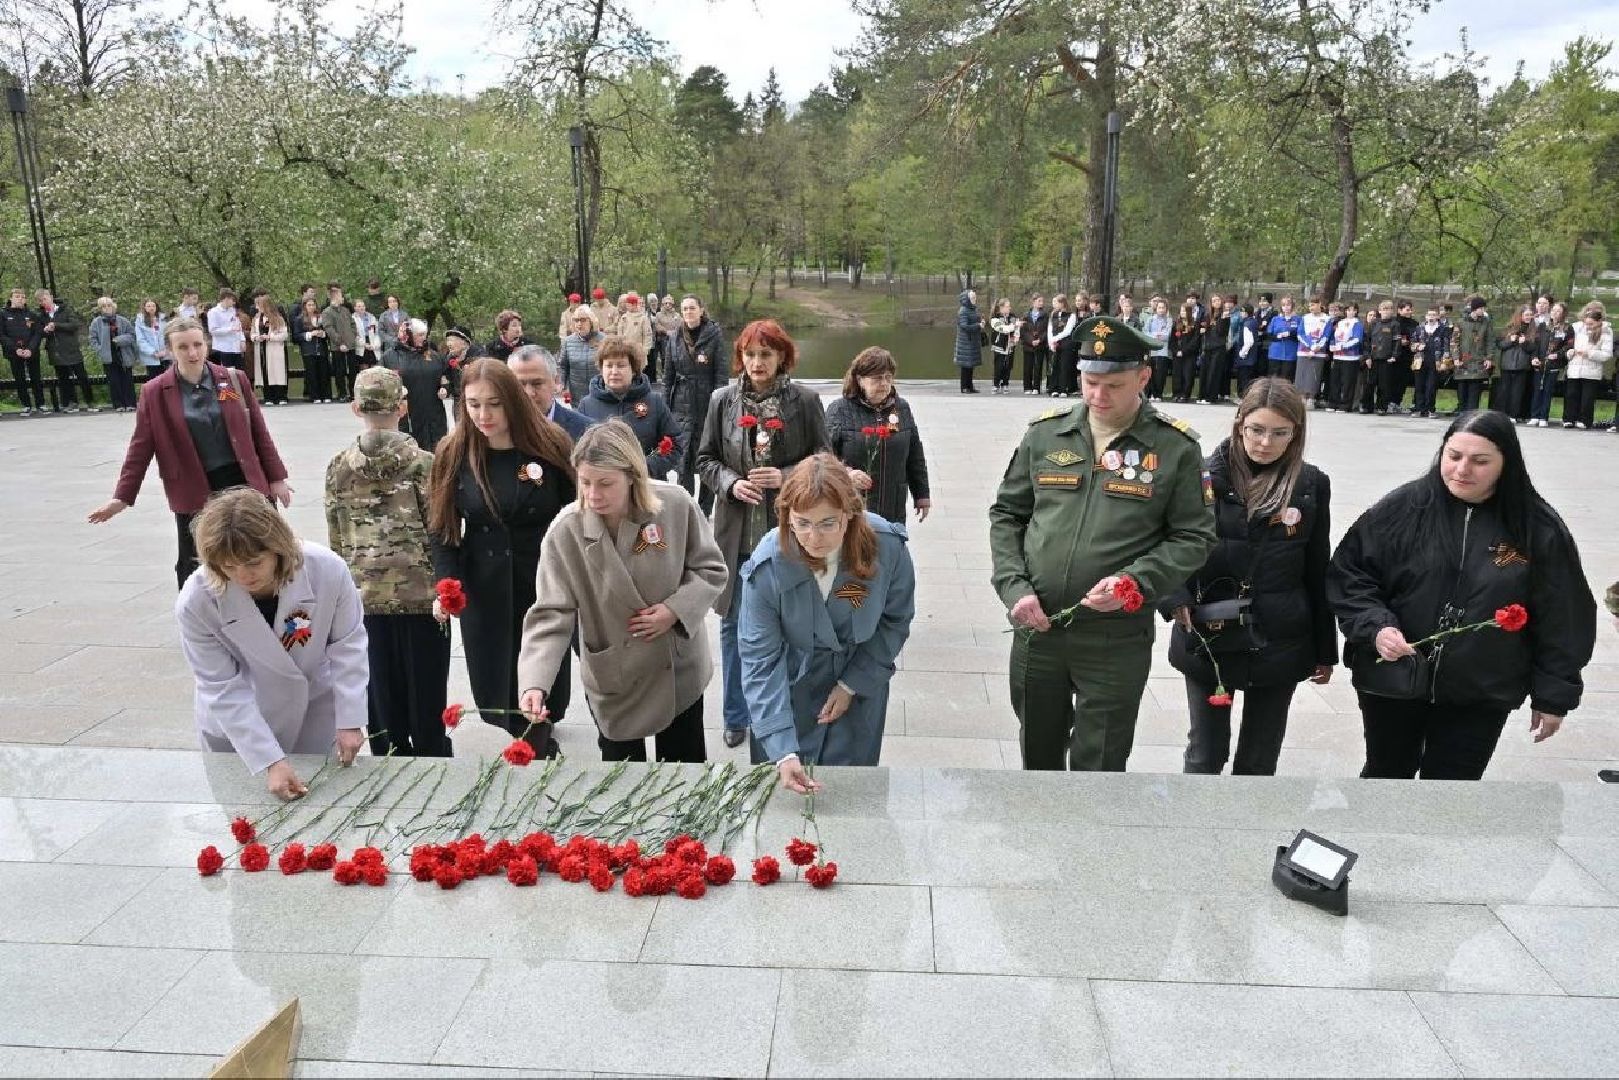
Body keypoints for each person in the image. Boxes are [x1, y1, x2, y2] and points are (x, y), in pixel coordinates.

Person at [989, 315, 1217, 772]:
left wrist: (1135, 582)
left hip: (1115, 638)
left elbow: (1195, 535)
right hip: (1040, 627)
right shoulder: (1046, 433)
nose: (1098, 396)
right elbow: (1007, 515)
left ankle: (1089, 842)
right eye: (1090, 382)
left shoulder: (1174, 446)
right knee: (1038, 753)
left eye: (1113, 384)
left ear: (1144, 376)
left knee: (1101, 761)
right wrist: (1015, 589)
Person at [1327, 410, 1596, 780]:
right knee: (1385, 777)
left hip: (1482, 688)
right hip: (1395, 678)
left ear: (1507, 463)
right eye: (1453, 456)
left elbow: (1564, 614)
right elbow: (1350, 575)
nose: (1462, 470)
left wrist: (1554, 695)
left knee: (1454, 789)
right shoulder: (1402, 509)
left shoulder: (1537, 528)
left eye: (1480, 461)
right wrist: (1376, 627)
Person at [517, 421, 727, 762]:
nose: (593, 495)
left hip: (675, 670)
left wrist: (675, 610)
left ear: (632, 476)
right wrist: (534, 683)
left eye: (605, 483)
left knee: (683, 773)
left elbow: (711, 569)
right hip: (614, 675)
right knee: (621, 777)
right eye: (585, 482)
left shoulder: (674, 505)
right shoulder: (566, 531)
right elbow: (551, 613)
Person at [1160, 380, 1336, 775]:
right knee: (1205, 753)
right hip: (1210, 629)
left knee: (1259, 758)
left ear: (1296, 434)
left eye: (1280, 433)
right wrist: (1175, 597)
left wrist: (1326, 650)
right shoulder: (1200, 475)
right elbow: (1166, 542)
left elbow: (1316, 566)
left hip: (1280, 636)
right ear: (1240, 425)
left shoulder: (1310, 484)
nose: (1265, 443)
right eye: (1256, 430)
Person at [739, 454, 916, 792]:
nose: (814, 537)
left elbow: (896, 619)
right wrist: (781, 749)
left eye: (827, 523)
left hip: (859, 678)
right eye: (802, 523)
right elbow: (759, 659)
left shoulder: (887, 548)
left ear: (850, 515)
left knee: (850, 791)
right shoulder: (769, 564)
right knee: (780, 800)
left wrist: (851, 685)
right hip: (788, 689)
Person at [177, 488, 367, 797]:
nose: (243, 576)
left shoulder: (327, 570)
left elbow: (349, 645)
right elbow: (221, 686)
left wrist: (351, 718)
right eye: (228, 566)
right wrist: (268, 759)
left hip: (313, 709)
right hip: (241, 728)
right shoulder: (197, 601)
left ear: (278, 549)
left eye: (253, 562)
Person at [429, 358, 576, 758]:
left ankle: (537, 745)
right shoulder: (454, 452)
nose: (483, 415)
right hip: (486, 587)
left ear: (512, 400)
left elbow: (575, 517)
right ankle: (528, 741)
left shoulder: (551, 444)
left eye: (493, 403)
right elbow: (442, 530)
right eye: (474, 404)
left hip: (542, 584)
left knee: (544, 680)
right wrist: (447, 585)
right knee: (498, 682)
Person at [697, 319, 829, 750]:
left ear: (782, 357)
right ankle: (736, 714)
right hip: (736, 531)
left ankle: (781, 710)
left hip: (787, 532)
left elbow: (825, 459)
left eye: (766, 354)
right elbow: (704, 459)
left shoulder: (805, 401)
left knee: (791, 624)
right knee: (735, 625)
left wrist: (788, 475)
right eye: (751, 354)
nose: (757, 362)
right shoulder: (722, 401)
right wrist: (731, 482)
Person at [89, 317, 293, 587]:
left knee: (263, 549)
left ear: (207, 344)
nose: (192, 352)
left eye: (198, 344)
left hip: (244, 479)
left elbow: (258, 432)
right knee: (196, 561)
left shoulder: (233, 379)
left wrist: (276, 479)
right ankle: (199, 615)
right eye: (183, 347)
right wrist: (122, 498)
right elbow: (139, 448)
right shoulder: (155, 392)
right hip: (194, 485)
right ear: (170, 351)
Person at [324, 367, 450, 758]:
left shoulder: (338, 467)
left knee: (378, 702)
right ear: (403, 407)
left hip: (363, 599)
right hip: (422, 599)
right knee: (427, 701)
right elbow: (440, 531)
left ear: (355, 408)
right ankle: (433, 771)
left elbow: (336, 536)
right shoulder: (424, 464)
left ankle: (387, 774)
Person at [824, 346, 932, 525]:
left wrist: (922, 495)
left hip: (893, 505)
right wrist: (846, 473)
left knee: (889, 549)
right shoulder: (839, 410)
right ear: (860, 380)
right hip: (851, 506)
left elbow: (914, 454)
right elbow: (823, 456)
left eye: (888, 377)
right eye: (876, 378)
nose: (884, 383)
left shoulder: (901, 408)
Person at [576, 336, 684, 478]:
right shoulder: (586, 406)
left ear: (633, 370)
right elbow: (577, 451)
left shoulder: (654, 402)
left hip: (647, 486)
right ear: (601, 369)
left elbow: (674, 444)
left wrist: (646, 467)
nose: (614, 371)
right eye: (609, 365)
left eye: (621, 365)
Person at [664, 294, 727, 513]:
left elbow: (721, 375)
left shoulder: (714, 335)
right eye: (685, 309)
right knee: (683, 460)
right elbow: (668, 377)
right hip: (681, 404)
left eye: (692, 308)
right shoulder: (674, 337)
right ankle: (686, 507)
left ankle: (705, 508)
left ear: (701, 310)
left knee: (706, 457)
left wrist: (718, 405)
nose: (688, 312)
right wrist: (665, 408)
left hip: (706, 402)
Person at [385, 319, 453, 452]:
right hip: (409, 414)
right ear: (409, 335)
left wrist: (445, 388)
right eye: (420, 335)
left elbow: (445, 375)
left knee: (437, 449)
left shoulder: (432, 354)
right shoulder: (391, 356)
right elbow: (383, 381)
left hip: (433, 412)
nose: (424, 338)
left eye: (425, 334)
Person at [508, 343, 592, 441]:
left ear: (556, 381)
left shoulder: (586, 432)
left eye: (537, 383)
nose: (529, 393)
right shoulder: (496, 430)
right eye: (520, 385)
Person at [36, 289, 97, 413]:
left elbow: (74, 325)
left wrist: (56, 325)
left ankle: (90, 402)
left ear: (51, 297)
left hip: (71, 349)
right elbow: (39, 332)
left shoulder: (65, 309)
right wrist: (45, 330)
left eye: (45, 298)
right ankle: (71, 403)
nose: (44, 302)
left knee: (82, 377)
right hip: (55, 351)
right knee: (63, 379)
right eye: (41, 301)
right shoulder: (41, 316)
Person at [90, 297, 139, 412]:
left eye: (109, 305)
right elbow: (93, 339)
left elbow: (132, 336)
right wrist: (100, 350)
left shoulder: (123, 320)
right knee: (114, 381)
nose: (107, 308)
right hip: (108, 355)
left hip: (123, 354)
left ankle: (130, 403)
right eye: (103, 306)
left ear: (113, 306)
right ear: (100, 308)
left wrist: (120, 340)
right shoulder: (96, 322)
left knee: (127, 380)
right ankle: (118, 404)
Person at [3, 287, 45, 415]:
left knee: (36, 378)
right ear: (11, 298)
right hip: (14, 352)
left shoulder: (32, 314)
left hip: (31, 352)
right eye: (17, 296)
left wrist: (31, 349)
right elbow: (2, 335)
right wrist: (15, 349)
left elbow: (37, 333)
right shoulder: (3, 314)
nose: (20, 299)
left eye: (22, 297)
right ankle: (26, 405)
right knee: (20, 379)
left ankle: (40, 405)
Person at [1528, 302, 1570, 428]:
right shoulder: (1543, 326)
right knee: (1537, 389)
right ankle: (1534, 415)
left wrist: (1558, 354)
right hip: (1540, 363)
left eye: (1558, 311)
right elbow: (1535, 343)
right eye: (1553, 311)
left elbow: (1568, 345)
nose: (1555, 313)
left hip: (1553, 364)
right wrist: (1534, 357)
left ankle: (1543, 416)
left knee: (1547, 391)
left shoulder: (1567, 328)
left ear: (1563, 314)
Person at [1449, 296, 1493, 415]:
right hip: (1463, 360)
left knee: (1475, 389)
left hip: (1478, 360)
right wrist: (1456, 358)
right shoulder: (1461, 322)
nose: (1483, 310)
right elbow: (1454, 341)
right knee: (1462, 389)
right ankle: (1462, 412)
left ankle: (1471, 414)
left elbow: (1489, 341)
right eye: (1481, 308)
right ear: (1475, 308)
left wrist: (1489, 357)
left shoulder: (1486, 322)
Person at [1493, 306, 1536, 422]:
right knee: (1504, 390)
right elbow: (1500, 345)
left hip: (1522, 365)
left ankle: (1513, 414)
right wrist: (1510, 341)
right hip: (1507, 364)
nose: (1529, 317)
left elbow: (1533, 348)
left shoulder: (1533, 329)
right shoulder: (1508, 328)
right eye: (1526, 315)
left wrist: (1524, 343)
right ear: (1520, 315)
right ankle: (1503, 413)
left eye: (1530, 315)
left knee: (1518, 392)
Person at [319, 283, 358, 402]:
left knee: (353, 370)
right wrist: (339, 342)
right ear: (334, 297)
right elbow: (329, 328)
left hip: (350, 345)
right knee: (339, 371)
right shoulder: (327, 312)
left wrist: (353, 336)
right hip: (337, 347)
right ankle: (342, 393)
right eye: (340, 295)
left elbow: (352, 324)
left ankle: (353, 393)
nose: (342, 297)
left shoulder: (345, 310)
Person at [250, 294, 291, 406]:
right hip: (262, 348)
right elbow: (252, 334)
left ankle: (281, 396)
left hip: (274, 348)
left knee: (277, 372)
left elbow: (284, 335)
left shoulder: (278, 318)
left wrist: (270, 337)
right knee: (264, 372)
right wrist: (257, 338)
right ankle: (268, 396)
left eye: (260, 305)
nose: (258, 307)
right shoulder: (256, 319)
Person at [1409, 307, 1450, 419]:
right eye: (1429, 315)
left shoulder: (1443, 329)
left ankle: (1430, 409)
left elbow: (1446, 347)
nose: (1431, 317)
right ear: (1426, 316)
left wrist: (1444, 362)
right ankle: (1419, 409)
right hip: (1420, 360)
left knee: (1431, 386)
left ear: (1437, 316)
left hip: (1435, 361)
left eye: (1433, 315)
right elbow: (1412, 345)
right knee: (1419, 386)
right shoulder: (1419, 328)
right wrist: (1417, 346)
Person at [559, 305, 604, 405]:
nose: (579, 324)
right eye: (576, 320)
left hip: (600, 392)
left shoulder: (604, 340)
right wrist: (562, 385)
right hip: (577, 395)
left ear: (591, 321)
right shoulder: (568, 342)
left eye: (583, 320)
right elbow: (562, 366)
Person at [1327, 300, 1365, 413]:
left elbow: (1357, 339)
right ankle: (1333, 402)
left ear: (1356, 311)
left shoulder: (1357, 323)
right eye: (1348, 310)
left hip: (1350, 357)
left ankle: (1345, 405)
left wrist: (1343, 346)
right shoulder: (1341, 322)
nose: (1350, 312)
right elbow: (1334, 336)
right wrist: (1332, 345)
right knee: (1335, 381)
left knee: (1348, 382)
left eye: (1353, 310)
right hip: (1337, 356)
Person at [1296, 296, 1331, 409]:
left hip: (1318, 351)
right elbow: (1300, 334)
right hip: (1304, 350)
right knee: (1302, 374)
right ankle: (1301, 398)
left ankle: (1311, 398)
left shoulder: (1327, 318)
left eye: (1314, 305)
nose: (1311, 307)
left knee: (1314, 375)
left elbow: (1326, 335)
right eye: (1310, 305)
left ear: (1319, 304)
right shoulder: (1305, 318)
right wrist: (1310, 346)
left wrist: (1317, 347)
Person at [295, 297, 331, 403]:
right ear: (305, 307)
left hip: (321, 348)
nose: (311, 307)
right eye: (309, 305)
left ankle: (326, 394)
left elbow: (328, 331)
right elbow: (297, 336)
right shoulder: (299, 319)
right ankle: (315, 396)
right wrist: (310, 334)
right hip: (308, 350)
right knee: (311, 373)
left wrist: (323, 334)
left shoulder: (321, 318)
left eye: (313, 305)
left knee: (324, 372)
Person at [616, 292, 655, 382]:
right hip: (625, 351)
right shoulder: (624, 318)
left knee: (638, 375)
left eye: (629, 304)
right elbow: (620, 334)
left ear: (634, 305)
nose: (627, 306)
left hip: (639, 351)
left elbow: (647, 335)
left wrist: (645, 350)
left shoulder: (643, 318)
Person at [1199, 296, 1231, 404]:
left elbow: (1222, 332)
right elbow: (1203, 329)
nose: (1216, 302)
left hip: (1218, 347)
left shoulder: (1225, 314)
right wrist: (1203, 329)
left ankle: (1211, 397)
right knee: (1205, 371)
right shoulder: (1208, 315)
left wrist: (1223, 318)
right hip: (1208, 347)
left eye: (1218, 300)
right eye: (1214, 301)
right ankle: (1202, 396)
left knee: (1214, 372)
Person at [1264, 295, 1301, 384]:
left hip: (1290, 353)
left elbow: (1300, 334)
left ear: (1292, 306)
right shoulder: (1275, 319)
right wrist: (1278, 336)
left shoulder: (1298, 319)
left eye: (1288, 305)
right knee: (1274, 378)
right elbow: (1269, 334)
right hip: (1275, 353)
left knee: (1287, 379)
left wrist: (1289, 334)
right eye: (1284, 305)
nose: (1286, 307)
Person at [1046, 293, 1078, 397]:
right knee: (1055, 365)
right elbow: (1050, 329)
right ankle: (1053, 388)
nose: (1055, 305)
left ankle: (1063, 388)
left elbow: (1067, 331)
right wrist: (1051, 342)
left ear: (1063, 303)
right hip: (1055, 344)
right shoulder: (1053, 314)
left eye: (1057, 302)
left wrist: (1056, 338)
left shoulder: (1071, 315)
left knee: (1064, 366)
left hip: (1066, 343)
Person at [205, 289, 245, 370]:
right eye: (232, 300)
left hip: (236, 347)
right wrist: (230, 329)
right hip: (223, 348)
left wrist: (242, 340)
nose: (233, 303)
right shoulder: (213, 312)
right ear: (226, 299)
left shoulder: (233, 311)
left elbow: (239, 327)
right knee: (226, 372)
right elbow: (213, 331)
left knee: (238, 371)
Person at [1168, 301, 1200, 403]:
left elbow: (1195, 341)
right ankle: (1176, 393)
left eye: (1184, 311)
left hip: (1189, 355)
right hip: (1177, 354)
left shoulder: (1195, 325)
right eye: (1181, 311)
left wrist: (1184, 351)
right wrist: (1176, 351)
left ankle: (1185, 395)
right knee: (1177, 374)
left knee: (1188, 374)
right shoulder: (1176, 324)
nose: (1182, 313)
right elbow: (1172, 341)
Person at [988, 297, 1018, 394]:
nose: (1009, 308)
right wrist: (1014, 326)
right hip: (999, 345)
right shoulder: (995, 318)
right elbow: (1003, 329)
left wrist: (1016, 337)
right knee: (999, 365)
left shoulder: (1012, 317)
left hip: (1010, 345)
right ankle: (996, 384)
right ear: (1001, 308)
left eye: (1009, 306)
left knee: (1008, 365)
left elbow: (1017, 330)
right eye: (1007, 306)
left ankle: (1005, 384)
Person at [1144, 296, 1172, 402]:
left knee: (1160, 374)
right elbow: (1146, 332)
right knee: (1151, 373)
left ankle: (1158, 394)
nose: (1161, 309)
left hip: (1163, 351)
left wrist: (1157, 335)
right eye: (1159, 307)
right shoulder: (1150, 319)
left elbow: (1167, 335)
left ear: (1166, 309)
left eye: (1163, 307)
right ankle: (1150, 393)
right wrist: (1156, 335)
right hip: (1152, 350)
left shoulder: (1169, 320)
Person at [1020, 294, 1049, 396]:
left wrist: (1040, 340)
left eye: (1042, 301)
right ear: (1033, 302)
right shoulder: (1025, 315)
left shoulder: (1045, 315)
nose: (1041, 303)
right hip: (1028, 345)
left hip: (1040, 345)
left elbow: (1047, 330)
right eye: (1039, 301)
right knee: (1027, 367)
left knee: (1038, 366)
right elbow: (1023, 331)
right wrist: (1031, 340)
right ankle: (1027, 387)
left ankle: (1036, 387)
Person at [133, 299, 169, 379]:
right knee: (154, 381)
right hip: (151, 358)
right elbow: (140, 340)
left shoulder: (164, 319)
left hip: (166, 356)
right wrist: (153, 352)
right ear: (144, 308)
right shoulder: (140, 321)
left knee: (168, 380)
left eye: (153, 306)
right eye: (148, 306)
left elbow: (169, 336)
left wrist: (166, 351)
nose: (151, 308)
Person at [351, 298, 380, 371]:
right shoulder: (352, 319)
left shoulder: (372, 317)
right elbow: (354, 335)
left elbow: (376, 332)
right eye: (359, 306)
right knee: (364, 367)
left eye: (363, 306)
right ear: (355, 308)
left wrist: (375, 344)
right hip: (361, 344)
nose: (361, 308)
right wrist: (364, 344)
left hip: (372, 343)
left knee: (374, 367)